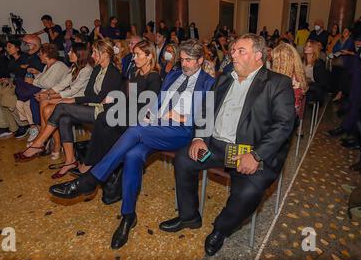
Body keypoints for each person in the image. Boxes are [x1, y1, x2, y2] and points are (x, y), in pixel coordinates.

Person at [49, 39, 215, 249]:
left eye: (190, 60)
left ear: (200, 60)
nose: (185, 64)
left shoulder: (208, 82)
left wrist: (181, 117)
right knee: (132, 155)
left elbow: (206, 118)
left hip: (181, 132)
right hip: (156, 126)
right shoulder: (173, 75)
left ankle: (90, 180)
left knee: (135, 130)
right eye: (182, 59)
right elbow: (158, 102)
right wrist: (150, 114)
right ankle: (128, 216)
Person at [158, 34, 296, 256]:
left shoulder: (277, 83)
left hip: (248, 152)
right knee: (184, 159)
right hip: (215, 148)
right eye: (233, 50)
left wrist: (257, 155)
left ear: (258, 56)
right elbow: (205, 110)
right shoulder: (224, 78)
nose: (233, 54)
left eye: (241, 51)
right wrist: (199, 137)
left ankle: (220, 229)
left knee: (249, 190)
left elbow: (284, 125)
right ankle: (189, 216)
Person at [14, 39, 121, 178]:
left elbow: (98, 98)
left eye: (95, 52)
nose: (92, 55)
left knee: (61, 107)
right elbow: (89, 94)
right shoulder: (97, 69)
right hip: (91, 106)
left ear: (105, 54)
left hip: (105, 112)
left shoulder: (113, 72)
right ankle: (69, 161)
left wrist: (71, 99)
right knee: (63, 118)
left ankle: (39, 143)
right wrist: (71, 99)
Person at [76, 40, 162, 179]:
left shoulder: (154, 77)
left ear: (149, 56)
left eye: (137, 55)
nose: (134, 58)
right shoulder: (135, 72)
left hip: (142, 117)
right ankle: (97, 163)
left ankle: (94, 164)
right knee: (103, 119)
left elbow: (146, 106)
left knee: (106, 122)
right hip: (130, 112)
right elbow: (130, 99)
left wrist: (120, 111)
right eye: (133, 54)